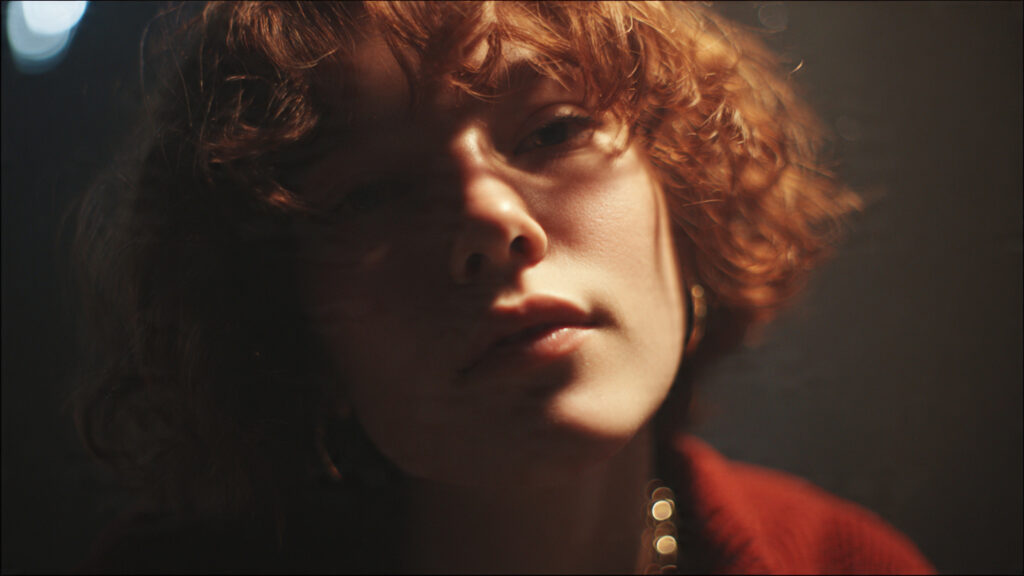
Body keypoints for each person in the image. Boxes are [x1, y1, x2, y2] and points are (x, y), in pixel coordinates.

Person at [72, 2, 934, 573]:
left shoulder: (845, 563)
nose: (490, 220)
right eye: (371, 193)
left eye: (554, 130)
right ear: (282, 315)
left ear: (684, 195)